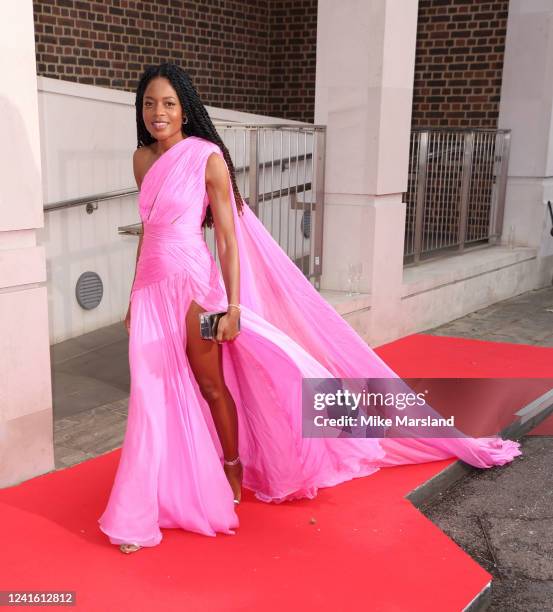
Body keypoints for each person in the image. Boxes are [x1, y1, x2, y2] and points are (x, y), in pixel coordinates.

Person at [98, 63, 521, 554]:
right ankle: (147, 503)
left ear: (186, 108)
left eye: (168, 103)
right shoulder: (141, 159)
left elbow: (229, 241)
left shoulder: (207, 157)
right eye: (150, 103)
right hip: (152, 292)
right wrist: (132, 295)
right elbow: (148, 231)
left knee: (211, 386)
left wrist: (232, 305)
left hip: (195, 288)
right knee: (152, 398)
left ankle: (232, 472)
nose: (158, 112)